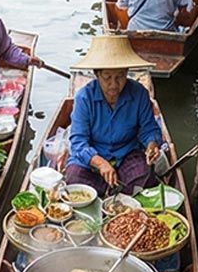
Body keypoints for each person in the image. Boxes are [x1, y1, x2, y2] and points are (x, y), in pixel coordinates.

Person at [63, 35, 169, 194]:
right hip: (93, 157)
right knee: (74, 177)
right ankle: (114, 191)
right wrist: (99, 163)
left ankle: (106, 192)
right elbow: (78, 142)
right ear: (97, 75)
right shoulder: (84, 98)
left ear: (127, 72)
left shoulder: (139, 94)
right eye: (107, 78)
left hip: (127, 154)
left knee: (144, 173)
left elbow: (149, 129)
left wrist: (152, 145)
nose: (114, 84)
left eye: (120, 76)